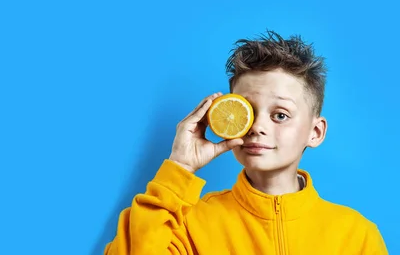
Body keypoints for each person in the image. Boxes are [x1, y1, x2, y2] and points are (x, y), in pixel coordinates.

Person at [104, 29, 388, 254]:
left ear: (315, 132)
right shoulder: (189, 225)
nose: (257, 127)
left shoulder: (356, 235)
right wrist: (179, 167)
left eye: (279, 115)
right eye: (248, 111)